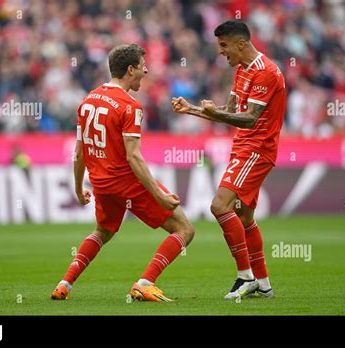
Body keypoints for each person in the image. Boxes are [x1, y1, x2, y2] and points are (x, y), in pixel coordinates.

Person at [51, 44, 195, 302]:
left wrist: (77, 187)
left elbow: (79, 152)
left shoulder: (88, 100)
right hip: (127, 182)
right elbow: (134, 157)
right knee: (184, 230)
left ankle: (64, 284)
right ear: (130, 70)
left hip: (101, 184)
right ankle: (145, 283)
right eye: (143, 66)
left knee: (102, 232)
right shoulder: (130, 106)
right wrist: (158, 195)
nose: (147, 70)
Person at [172, 20, 286, 300]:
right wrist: (193, 110)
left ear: (241, 43)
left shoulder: (266, 72)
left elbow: (250, 119)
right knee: (244, 216)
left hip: (257, 149)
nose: (221, 52)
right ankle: (264, 283)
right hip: (244, 148)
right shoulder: (242, 71)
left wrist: (213, 115)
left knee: (219, 205)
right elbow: (229, 110)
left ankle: (245, 277)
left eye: (224, 46)